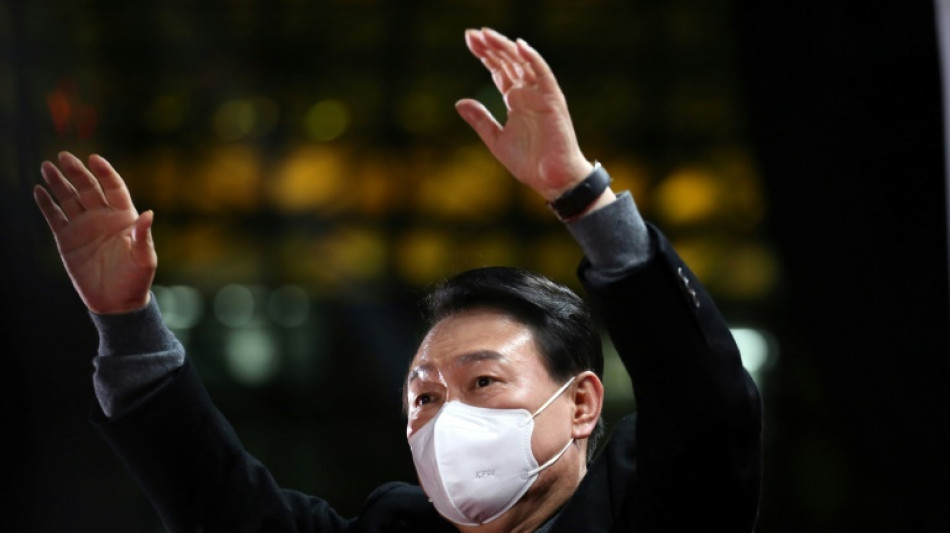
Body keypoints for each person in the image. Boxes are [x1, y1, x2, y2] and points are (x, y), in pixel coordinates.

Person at [33, 28, 762, 532]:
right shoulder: (396, 525)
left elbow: (705, 403)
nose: (448, 420)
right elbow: (220, 506)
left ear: (580, 403)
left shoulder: (655, 507)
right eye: (424, 396)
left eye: (483, 381)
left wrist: (580, 194)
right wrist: (126, 322)